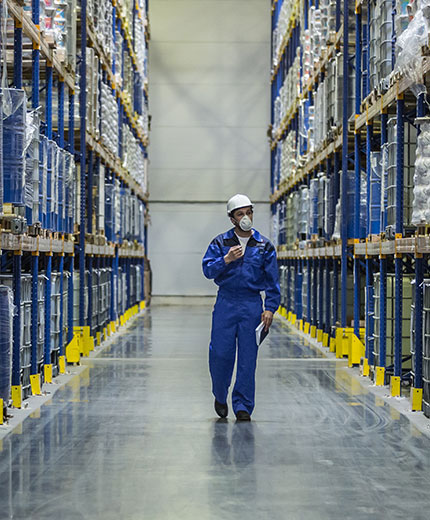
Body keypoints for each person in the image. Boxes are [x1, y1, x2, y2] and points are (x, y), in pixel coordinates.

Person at [202, 194, 281, 421]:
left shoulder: (264, 245)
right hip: (226, 303)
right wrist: (225, 260)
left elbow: (272, 280)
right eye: (240, 214)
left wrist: (270, 308)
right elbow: (208, 271)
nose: (246, 217)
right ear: (232, 219)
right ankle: (219, 395)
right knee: (220, 354)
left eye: (249, 212)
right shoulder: (220, 243)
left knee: (248, 358)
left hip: (251, 305)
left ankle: (243, 406)